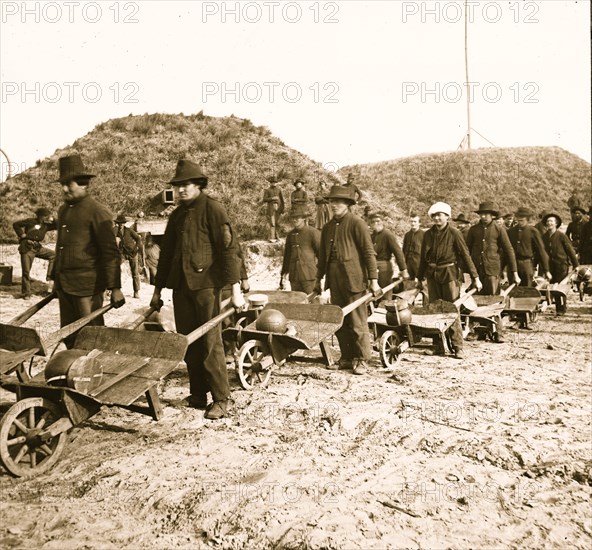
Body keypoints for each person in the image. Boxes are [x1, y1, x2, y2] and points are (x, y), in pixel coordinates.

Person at [150, 159, 245, 419]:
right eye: (178, 186)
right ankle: (197, 394)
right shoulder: (177, 214)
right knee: (188, 341)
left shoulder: (214, 210)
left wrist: (236, 289)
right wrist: (157, 291)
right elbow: (166, 254)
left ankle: (221, 400)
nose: (181, 190)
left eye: (186, 185)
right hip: (181, 287)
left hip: (206, 288)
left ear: (199, 185)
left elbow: (228, 251)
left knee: (210, 342)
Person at [52, 154, 125, 348]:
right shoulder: (63, 211)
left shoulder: (97, 211)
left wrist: (115, 287)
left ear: (84, 184)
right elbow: (61, 247)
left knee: (91, 334)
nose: (64, 188)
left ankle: (94, 372)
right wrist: (56, 279)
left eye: (69, 184)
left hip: (88, 287)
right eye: (62, 184)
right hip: (65, 285)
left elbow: (110, 252)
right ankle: (75, 371)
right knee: (69, 333)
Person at [314, 185, 380, 375]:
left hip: (354, 279)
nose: (334, 205)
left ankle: (361, 359)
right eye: (331, 202)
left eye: (338, 202)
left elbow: (368, 253)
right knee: (340, 320)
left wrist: (373, 280)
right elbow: (322, 256)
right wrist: (318, 280)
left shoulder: (356, 223)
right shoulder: (327, 228)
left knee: (357, 322)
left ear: (348, 204)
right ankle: (346, 357)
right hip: (335, 280)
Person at [417, 202, 482, 359]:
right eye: (434, 215)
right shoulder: (427, 234)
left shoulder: (454, 233)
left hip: (450, 275)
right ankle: (437, 346)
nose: (437, 218)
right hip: (433, 275)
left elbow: (466, 255)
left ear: (447, 217)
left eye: (440, 215)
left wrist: (475, 277)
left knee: (452, 309)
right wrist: (419, 278)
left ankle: (457, 346)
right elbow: (423, 259)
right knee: (435, 310)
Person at [466, 201, 520, 295]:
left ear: (491, 215)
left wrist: (514, 273)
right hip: (477, 271)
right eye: (481, 214)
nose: (483, 216)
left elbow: (509, 250)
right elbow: (466, 250)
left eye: (486, 214)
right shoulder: (473, 230)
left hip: (492, 271)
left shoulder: (499, 230)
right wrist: (465, 270)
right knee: (476, 298)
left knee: (493, 298)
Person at [13, 207, 57, 299]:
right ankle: (26, 293)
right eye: (45, 216)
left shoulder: (46, 225)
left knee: (53, 255)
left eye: (48, 216)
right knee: (26, 271)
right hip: (27, 247)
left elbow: (58, 225)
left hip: (37, 247)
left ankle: (49, 276)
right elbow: (16, 224)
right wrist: (21, 234)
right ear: (40, 216)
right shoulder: (30, 221)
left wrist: (53, 219)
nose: (47, 218)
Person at [542, 212, 579, 315]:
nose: (549, 223)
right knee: (551, 286)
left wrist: (576, 265)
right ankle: (553, 305)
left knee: (560, 288)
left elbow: (570, 250)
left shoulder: (561, 236)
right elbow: (540, 252)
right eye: (548, 221)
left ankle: (561, 309)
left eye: (551, 221)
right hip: (550, 265)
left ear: (556, 223)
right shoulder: (544, 237)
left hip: (561, 265)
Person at [279, 205, 321, 294]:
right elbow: (287, 256)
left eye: (297, 217)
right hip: (294, 277)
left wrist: (320, 274)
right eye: (293, 218)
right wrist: (284, 274)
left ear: (304, 218)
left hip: (309, 276)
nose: (295, 220)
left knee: (313, 303)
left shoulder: (313, 233)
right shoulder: (290, 235)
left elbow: (321, 254)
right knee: (298, 303)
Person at [507, 207, 551, 287]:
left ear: (527, 220)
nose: (520, 223)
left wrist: (546, 270)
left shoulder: (533, 232)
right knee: (513, 289)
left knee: (527, 289)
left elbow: (541, 251)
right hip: (513, 265)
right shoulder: (510, 232)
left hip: (526, 264)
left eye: (522, 220)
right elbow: (506, 251)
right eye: (518, 220)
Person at [369, 213, 409, 300]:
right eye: (373, 222)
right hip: (372, 267)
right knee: (374, 293)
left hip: (384, 266)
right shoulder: (371, 236)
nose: (376, 223)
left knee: (385, 293)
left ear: (382, 222)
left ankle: (386, 308)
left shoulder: (387, 234)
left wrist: (403, 270)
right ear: (370, 224)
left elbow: (398, 252)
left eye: (378, 221)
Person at [114, 214, 144, 299]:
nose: (121, 225)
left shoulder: (129, 231)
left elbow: (138, 238)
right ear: (117, 223)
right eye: (119, 223)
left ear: (124, 223)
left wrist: (136, 248)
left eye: (122, 223)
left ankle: (136, 291)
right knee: (115, 270)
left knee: (135, 273)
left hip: (132, 253)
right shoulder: (115, 231)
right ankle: (115, 291)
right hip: (122, 253)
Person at [403, 213, 424, 280]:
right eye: (411, 221)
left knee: (422, 284)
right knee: (409, 284)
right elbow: (404, 250)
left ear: (419, 223)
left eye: (415, 221)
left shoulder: (424, 235)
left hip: (419, 264)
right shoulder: (407, 235)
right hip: (408, 264)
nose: (413, 223)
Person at [262, 177, 284, 242]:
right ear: (270, 183)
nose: (273, 183)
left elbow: (282, 200)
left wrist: (283, 208)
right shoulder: (267, 190)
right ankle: (271, 238)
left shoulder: (279, 190)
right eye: (272, 182)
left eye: (275, 182)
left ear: (276, 183)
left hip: (278, 208)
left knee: (277, 222)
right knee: (272, 223)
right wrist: (272, 198)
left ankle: (277, 237)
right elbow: (264, 199)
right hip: (271, 208)